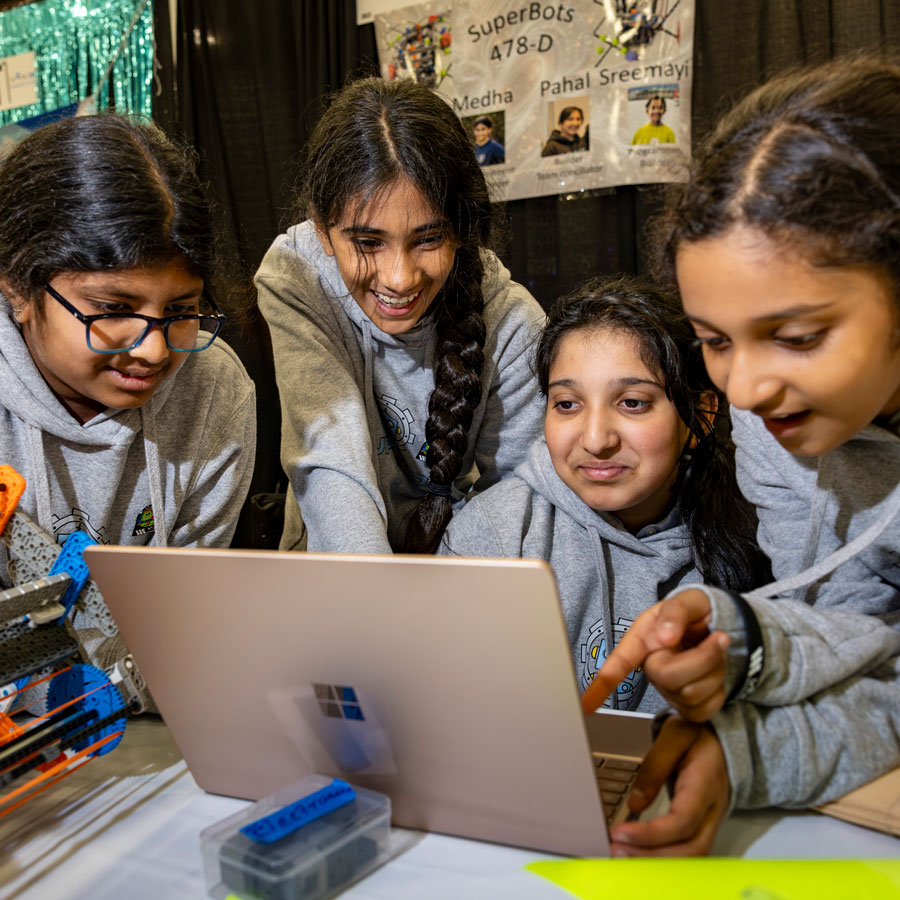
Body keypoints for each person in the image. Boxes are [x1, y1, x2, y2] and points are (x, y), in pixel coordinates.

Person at [583, 56, 900, 856]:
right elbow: (858, 625)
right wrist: (742, 641)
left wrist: (750, 749)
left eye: (797, 337)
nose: (748, 389)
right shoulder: (778, 416)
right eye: (714, 342)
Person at [440, 276, 770, 705]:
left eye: (632, 402)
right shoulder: (494, 537)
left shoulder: (766, 534)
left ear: (702, 415)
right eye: (567, 404)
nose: (596, 440)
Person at [256, 77, 545, 555]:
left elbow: (520, 493)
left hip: (462, 583)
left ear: (461, 229)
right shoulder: (297, 280)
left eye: (428, 239)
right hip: (338, 579)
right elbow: (332, 465)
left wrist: (431, 600)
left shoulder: (511, 320)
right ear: (322, 230)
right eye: (368, 243)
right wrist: (380, 608)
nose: (399, 278)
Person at [0, 113, 256, 584]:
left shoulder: (214, 391)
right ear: (18, 287)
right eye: (113, 308)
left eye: (181, 309)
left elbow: (186, 602)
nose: (154, 351)